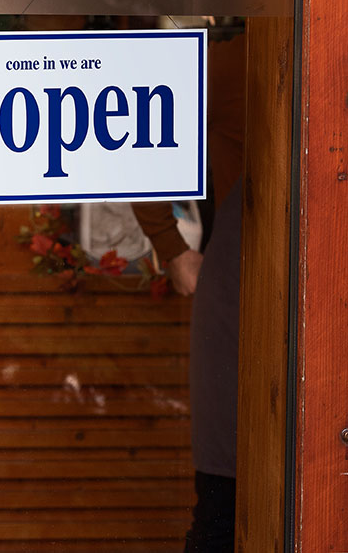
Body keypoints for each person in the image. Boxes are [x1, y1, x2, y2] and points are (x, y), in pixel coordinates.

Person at [132, 31, 245, 553]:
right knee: (226, 500)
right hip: (245, 296)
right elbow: (139, 131)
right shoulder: (239, 59)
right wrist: (170, 246)